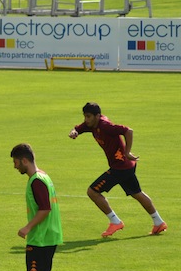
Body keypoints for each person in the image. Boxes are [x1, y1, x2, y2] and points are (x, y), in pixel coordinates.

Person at [68, 102, 167, 237]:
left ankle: (115, 221)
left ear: (97, 116)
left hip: (120, 167)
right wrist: (75, 132)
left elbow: (128, 131)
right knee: (137, 193)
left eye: (88, 116)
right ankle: (159, 222)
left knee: (92, 191)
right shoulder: (92, 124)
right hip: (126, 167)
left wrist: (127, 152)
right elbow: (79, 128)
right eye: (85, 116)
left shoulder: (105, 126)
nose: (86, 119)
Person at [11, 143, 63, 271]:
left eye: (16, 162)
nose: (15, 166)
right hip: (50, 235)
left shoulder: (36, 180)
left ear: (24, 160)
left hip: (41, 237)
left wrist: (27, 227)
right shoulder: (43, 176)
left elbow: (45, 209)